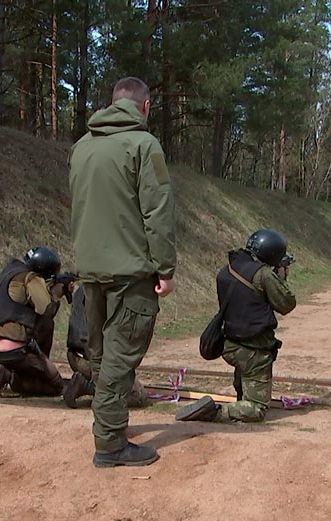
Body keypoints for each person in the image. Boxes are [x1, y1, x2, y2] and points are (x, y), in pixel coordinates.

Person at [69, 76, 176, 468]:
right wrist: (165, 268)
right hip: (130, 271)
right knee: (120, 355)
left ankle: (110, 425)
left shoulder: (81, 147)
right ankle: (110, 443)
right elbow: (158, 212)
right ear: (145, 107)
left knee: (100, 354)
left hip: (91, 269)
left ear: (113, 104)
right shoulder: (143, 146)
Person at [175, 229, 297, 424]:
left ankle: (242, 397)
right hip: (254, 351)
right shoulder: (264, 274)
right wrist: (280, 278)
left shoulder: (227, 270)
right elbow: (286, 304)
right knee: (256, 408)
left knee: (246, 377)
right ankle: (216, 412)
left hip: (230, 343)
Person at [0, 247, 74, 399]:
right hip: (15, 348)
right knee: (56, 386)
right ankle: (10, 375)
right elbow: (46, 310)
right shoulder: (30, 278)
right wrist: (56, 295)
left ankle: (10, 371)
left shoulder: (10, 272)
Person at [63, 286, 149, 409]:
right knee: (137, 396)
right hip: (91, 358)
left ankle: (90, 383)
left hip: (75, 355)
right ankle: (86, 385)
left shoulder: (84, 289)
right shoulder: (109, 291)